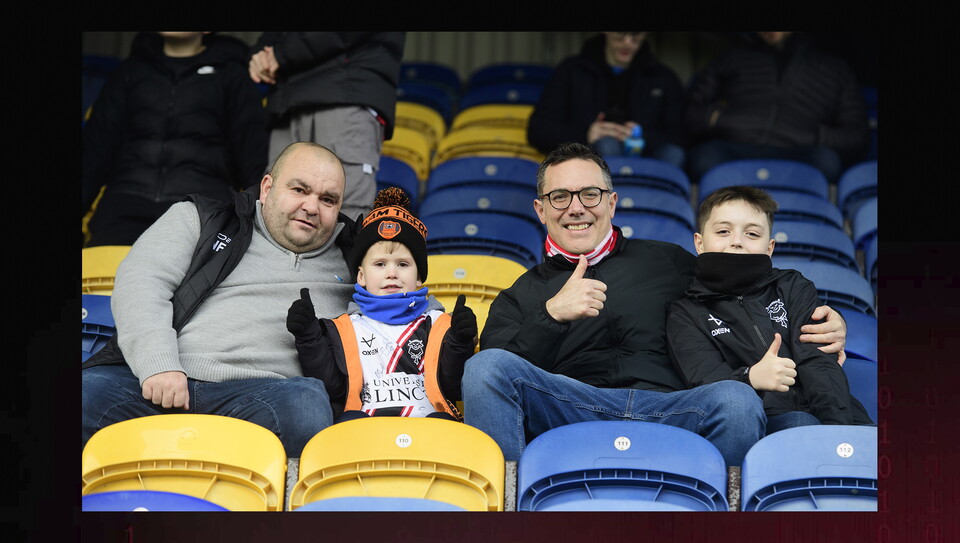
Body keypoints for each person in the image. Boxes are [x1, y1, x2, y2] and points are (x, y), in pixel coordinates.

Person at [460, 142, 847, 467]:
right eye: (559, 197)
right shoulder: (519, 294)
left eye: (589, 194)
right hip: (571, 408)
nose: (575, 208)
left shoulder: (670, 260)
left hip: (676, 407)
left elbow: (749, 295)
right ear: (541, 210)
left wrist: (820, 325)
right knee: (484, 366)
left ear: (611, 203)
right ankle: (507, 515)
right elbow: (494, 380)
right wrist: (551, 315)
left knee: (735, 399)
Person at [81, 142, 358, 457]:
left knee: (307, 407)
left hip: (265, 400)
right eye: (299, 190)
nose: (311, 207)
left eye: (327, 200)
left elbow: (406, 301)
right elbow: (142, 281)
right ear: (267, 188)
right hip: (159, 387)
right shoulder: (203, 219)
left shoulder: (356, 259)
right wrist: (159, 366)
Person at [666, 186, 874, 433]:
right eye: (723, 231)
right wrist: (751, 376)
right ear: (699, 243)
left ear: (770, 247)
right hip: (756, 425)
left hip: (829, 415)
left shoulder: (793, 285)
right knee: (799, 423)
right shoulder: (685, 312)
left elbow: (817, 362)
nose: (737, 241)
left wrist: (838, 434)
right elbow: (705, 384)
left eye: (752, 234)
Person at [286, 187, 478, 423]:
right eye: (379, 264)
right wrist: (308, 336)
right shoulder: (344, 329)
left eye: (403, 264)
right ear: (361, 276)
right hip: (365, 432)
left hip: (428, 430)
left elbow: (451, 384)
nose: (392, 273)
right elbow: (333, 388)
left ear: (419, 277)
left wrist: (460, 341)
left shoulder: (439, 324)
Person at [82, 31, 268, 247]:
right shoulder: (131, 70)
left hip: (202, 209)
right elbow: (93, 154)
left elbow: (253, 159)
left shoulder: (232, 74)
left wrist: (262, 231)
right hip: (124, 203)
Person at [248, 32, 406, 221]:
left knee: (344, 217)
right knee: (273, 209)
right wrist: (260, 54)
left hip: (347, 93)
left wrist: (279, 54)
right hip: (287, 101)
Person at [683, 32, 869, 183]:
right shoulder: (731, 57)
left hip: (802, 152)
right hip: (735, 147)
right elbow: (691, 114)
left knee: (826, 161)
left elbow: (856, 137)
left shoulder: (835, 68)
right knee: (704, 159)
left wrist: (813, 135)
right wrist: (721, 119)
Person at [526, 32, 686, 168]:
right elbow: (538, 130)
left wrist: (642, 136)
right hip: (587, 165)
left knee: (673, 154)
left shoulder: (663, 77)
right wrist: (587, 134)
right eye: (620, 34)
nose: (628, 42)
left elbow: (682, 135)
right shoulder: (572, 70)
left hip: (648, 160)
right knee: (607, 146)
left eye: (636, 35)